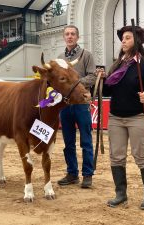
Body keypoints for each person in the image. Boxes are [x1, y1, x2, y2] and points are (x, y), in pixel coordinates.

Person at [99, 25, 144, 210]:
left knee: (142, 156)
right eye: (122, 38)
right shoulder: (117, 65)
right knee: (116, 157)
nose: (123, 41)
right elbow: (108, 90)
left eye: (127, 38)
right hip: (116, 117)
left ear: (136, 41)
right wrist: (103, 79)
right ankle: (120, 194)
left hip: (138, 117)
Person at [57, 25, 96, 188]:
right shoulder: (59, 58)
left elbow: (92, 76)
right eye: (67, 34)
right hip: (65, 105)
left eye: (73, 34)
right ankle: (72, 173)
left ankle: (87, 175)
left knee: (86, 141)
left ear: (77, 37)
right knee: (68, 142)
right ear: (64, 37)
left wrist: (74, 84)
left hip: (81, 103)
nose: (70, 36)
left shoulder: (86, 55)